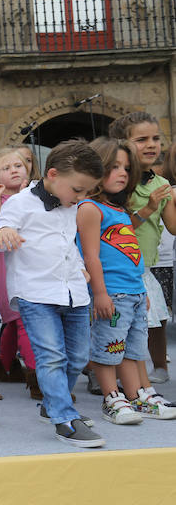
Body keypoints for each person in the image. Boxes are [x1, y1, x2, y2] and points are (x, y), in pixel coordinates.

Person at [0, 140, 105, 447]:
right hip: (36, 293)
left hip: (74, 292)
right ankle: (64, 418)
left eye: (86, 192)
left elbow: (66, 242)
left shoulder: (71, 204)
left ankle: (53, 403)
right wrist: (3, 233)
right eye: (78, 190)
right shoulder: (21, 202)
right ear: (52, 175)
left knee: (78, 355)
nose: (81, 198)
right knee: (51, 356)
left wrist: (79, 265)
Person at [76, 137, 173, 425]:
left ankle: (138, 395)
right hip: (112, 294)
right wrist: (100, 293)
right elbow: (90, 256)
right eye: (113, 167)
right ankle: (111, 397)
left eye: (126, 168)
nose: (122, 173)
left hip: (133, 291)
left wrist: (142, 291)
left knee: (132, 349)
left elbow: (132, 255)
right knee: (109, 348)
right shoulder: (90, 208)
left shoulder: (120, 210)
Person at [109, 112, 176, 386]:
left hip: (146, 265)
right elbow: (117, 229)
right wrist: (147, 208)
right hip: (117, 266)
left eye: (156, 139)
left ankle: (159, 366)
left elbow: (173, 227)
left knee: (156, 318)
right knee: (119, 323)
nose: (151, 145)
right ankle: (111, 368)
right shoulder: (119, 183)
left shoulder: (160, 184)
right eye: (142, 139)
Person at [0, 149, 37, 396]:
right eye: (6, 168)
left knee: (14, 323)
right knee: (21, 319)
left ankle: (4, 365)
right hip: (7, 270)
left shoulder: (36, 197)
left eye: (18, 165)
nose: (14, 170)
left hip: (34, 266)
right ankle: (37, 375)